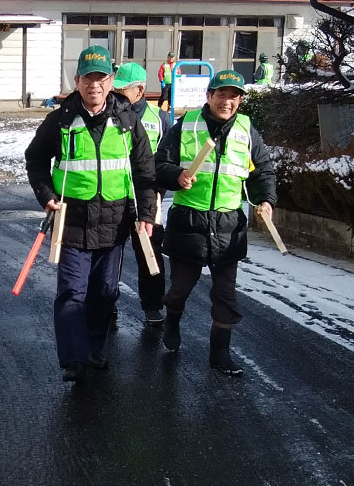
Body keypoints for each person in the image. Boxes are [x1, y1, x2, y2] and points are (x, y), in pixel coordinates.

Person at [25, 45, 157, 383]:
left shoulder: (128, 121)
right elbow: (36, 160)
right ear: (77, 80)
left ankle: (96, 348)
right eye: (88, 78)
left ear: (111, 81)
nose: (94, 85)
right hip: (72, 221)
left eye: (100, 78)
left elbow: (143, 171)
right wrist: (47, 195)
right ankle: (73, 358)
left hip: (115, 223)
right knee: (72, 291)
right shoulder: (60, 120)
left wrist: (146, 212)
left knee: (105, 292)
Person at [154, 70, 277, 376]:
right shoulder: (187, 126)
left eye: (234, 96)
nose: (227, 101)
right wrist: (176, 175)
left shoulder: (247, 129)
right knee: (180, 288)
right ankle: (172, 321)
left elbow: (262, 169)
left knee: (226, 295)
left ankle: (219, 354)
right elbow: (160, 164)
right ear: (209, 97)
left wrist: (267, 201)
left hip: (228, 225)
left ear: (239, 101)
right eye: (221, 94)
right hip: (189, 223)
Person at [111, 62, 172, 325]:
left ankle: (152, 305)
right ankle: (107, 303)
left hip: (148, 197)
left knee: (150, 253)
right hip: (115, 196)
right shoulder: (108, 113)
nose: (118, 94)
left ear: (140, 90)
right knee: (111, 254)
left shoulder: (159, 119)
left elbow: (169, 159)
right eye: (116, 89)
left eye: (123, 90)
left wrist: (157, 193)